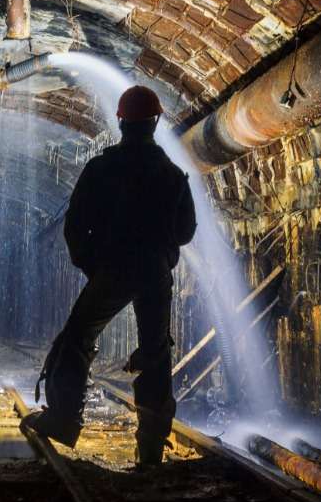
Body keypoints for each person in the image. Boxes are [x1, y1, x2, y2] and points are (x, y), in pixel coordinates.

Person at [21, 85, 197, 465]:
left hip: (112, 269)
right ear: (155, 123)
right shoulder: (172, 174)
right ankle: (150, 447)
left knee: (77, 339)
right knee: (155, 353)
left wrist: (92, 265)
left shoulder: (101, 168)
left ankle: (64, 419)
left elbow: (75, 226)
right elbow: (185, 232)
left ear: (120, 121)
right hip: (154, 272)